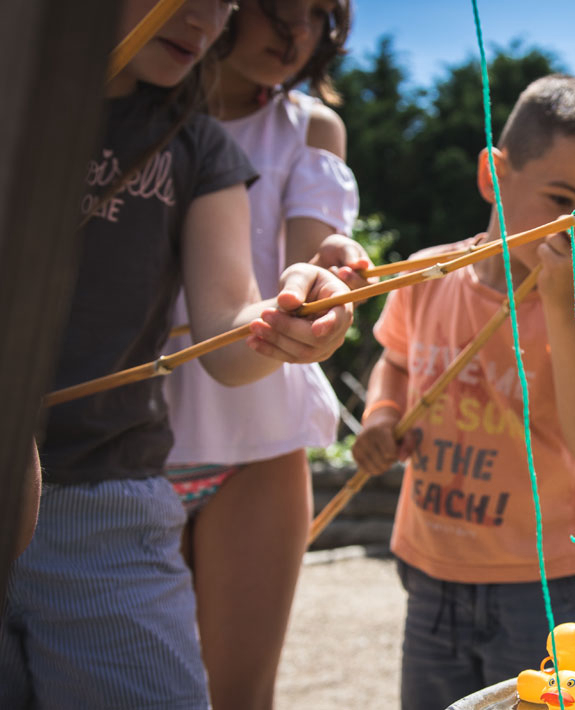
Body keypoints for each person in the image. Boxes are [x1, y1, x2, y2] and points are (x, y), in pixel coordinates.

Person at [0, 1, 354, 707]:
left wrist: (289, 317)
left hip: (109, 494)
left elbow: (228, 329)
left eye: (221, 0)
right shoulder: (20, 102)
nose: (202, 18)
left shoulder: (200, 146)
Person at [351, 74, 575, 709]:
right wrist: (382, 414)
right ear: (494, 175)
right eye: (562, 199)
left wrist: (565, 308)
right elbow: (394, 362)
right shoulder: (427, 276)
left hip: (545, 585)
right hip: (431, 567)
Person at [159, 0, 363, 705]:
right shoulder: (128, 109)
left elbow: (303, 271)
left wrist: (320, 288)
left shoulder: (311, 127)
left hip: (259, 443)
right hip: (125, 442)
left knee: (240, 696)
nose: (298, 33)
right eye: (279, 8)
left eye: (319, 14)